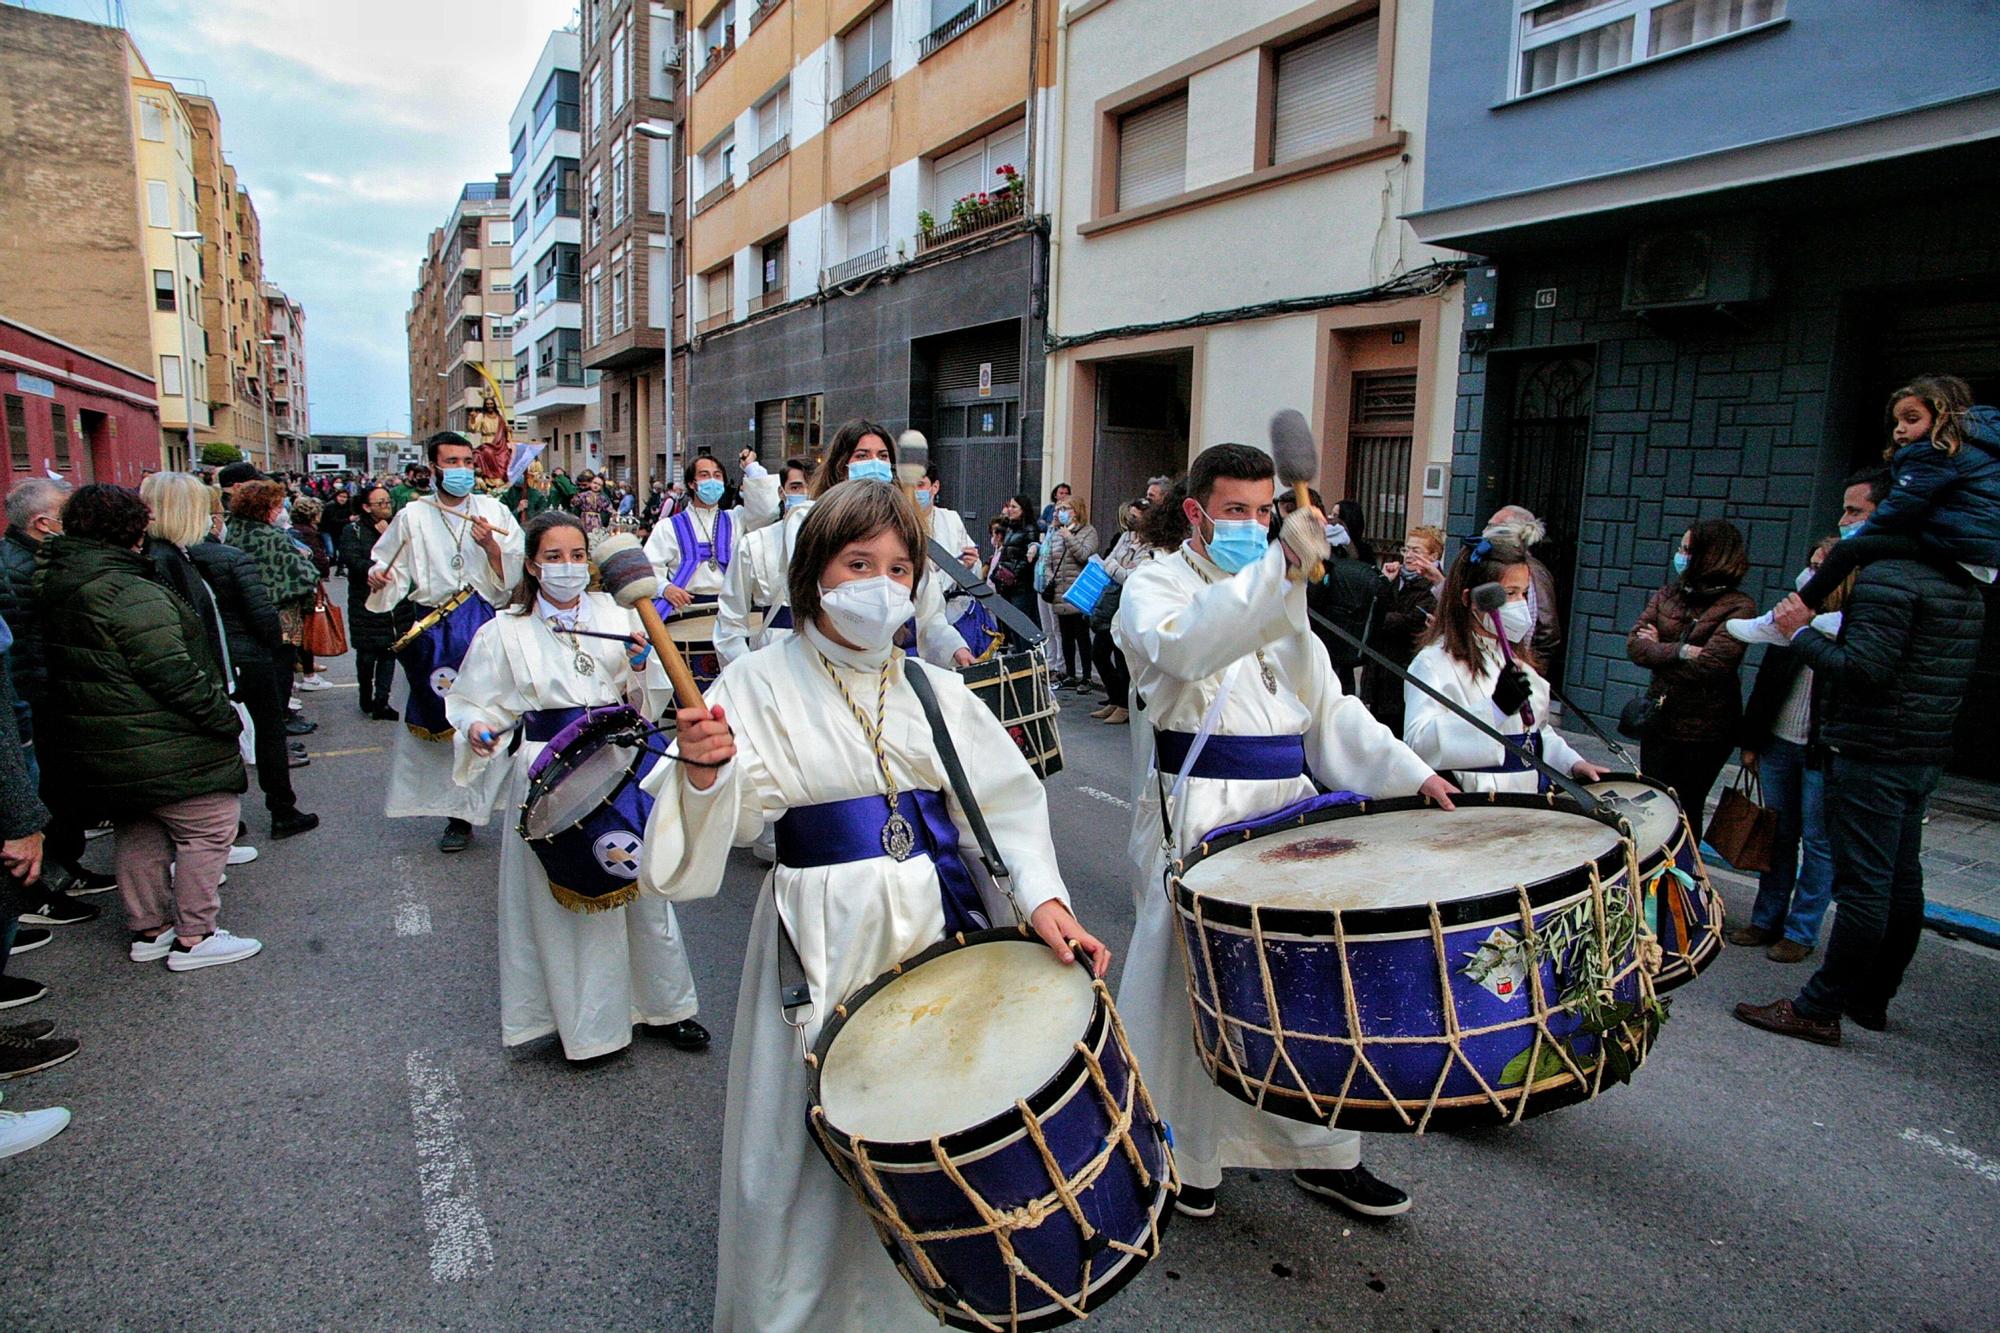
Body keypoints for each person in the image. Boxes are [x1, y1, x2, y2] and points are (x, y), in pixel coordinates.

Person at [638, 479, 1111, 1331]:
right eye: (859, 562)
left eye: (899, 568)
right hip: (823, 939)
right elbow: (714, 836)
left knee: (932, 1130)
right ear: (817, 569)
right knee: (810, 1147)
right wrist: (704, 771)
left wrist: (1042, 900)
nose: (881, 585)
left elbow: (1000, 809)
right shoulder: (757, 680)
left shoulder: (933, 686)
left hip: (936, 929)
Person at [1114, 442, 1457, 1222]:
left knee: (1308, 984)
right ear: (1196, 511)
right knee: (1188, 990)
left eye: (1264, 510)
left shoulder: (1280, 592)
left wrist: (1411, 773)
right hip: (1197, 805)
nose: (1255, 523)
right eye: (1237, 510)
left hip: (1284, 804)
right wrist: (1278, 568)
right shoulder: (1153, 584)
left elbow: (1327, 707)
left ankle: (1322, 1151)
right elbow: (1189, 644)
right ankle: (1181, 1149)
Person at [447, 512, 708, 1061]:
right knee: (565, 906)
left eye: (574, 557)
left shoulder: (615, 615)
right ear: (531, 565)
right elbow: (476, 702)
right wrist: (476, 729)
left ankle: (664, 1008)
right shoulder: (504, 631)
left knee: (642, 888)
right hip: (550, 772)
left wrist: (639, 666)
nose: (565, 568)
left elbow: (641, 698)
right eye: (552, 558)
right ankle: (591, 1027)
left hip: (616, 762)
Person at [1734, 515, 1985, 1045]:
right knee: (1899, 879)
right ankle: (1871, 998)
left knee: (1866, 885)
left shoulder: (1890, 578)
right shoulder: (1962, 581)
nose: (1846, 525)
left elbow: (1863, 668)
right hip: (1918, 752)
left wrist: (1796, 633)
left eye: (1856, 513)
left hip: (1875, 752)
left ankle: (1819, 1007)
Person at [36, 485, 260, 971]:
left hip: (102, 737)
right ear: (131, 528)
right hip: (157, 735)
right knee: (209, 824)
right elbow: (172, 671)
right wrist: (224, 718)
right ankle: (194, 936)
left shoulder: (61, 577)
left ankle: (150, 929)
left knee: (139, 827)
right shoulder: (127, 589)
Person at [1731, 374, 2000, 645]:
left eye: (1912, 419)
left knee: (1850, 550)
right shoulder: (1976, 447)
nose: (1899, 430)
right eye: (1897, 421)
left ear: (1941, 415)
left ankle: (1788, 618)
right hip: (1976, 552)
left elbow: (1898, 509)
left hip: (1954, 544)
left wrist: (1860, 541)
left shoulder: (1932, 453)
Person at [366, 431, 526, 853]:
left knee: (492, 717)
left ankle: (479, 809)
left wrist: (491, 545)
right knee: (442, 724)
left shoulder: (493, 511)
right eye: (451, 463)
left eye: (467, 462)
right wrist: (379, 577)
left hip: (483, 624)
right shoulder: (413, 516)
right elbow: (389, 568)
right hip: (435, 630)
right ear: (434, 467)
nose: (461, 470)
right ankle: (453, 813)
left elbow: (515, 569)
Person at [736, 419, 973, 669]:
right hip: (811, 662)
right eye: (862, 455)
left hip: (878, 665)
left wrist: (954, 648)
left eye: (882, 456)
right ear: (842, 465)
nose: (874, 463)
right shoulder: (808, 520)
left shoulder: (903, 527)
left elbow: (929, 611)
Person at [1403, 532, 1607, 793]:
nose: (1520, 604)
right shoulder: (1433, 663)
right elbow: (1418, 742)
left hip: (1525, 802)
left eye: (1523, 593)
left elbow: (1534, 733)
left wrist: (1572, 763)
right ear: (1469, 599)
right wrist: (1494, 710)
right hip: (1474, 805)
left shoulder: (1514, 660)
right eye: (1509, 593)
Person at [1, 477, 116, 900]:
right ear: (44, 523)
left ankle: (65, 869)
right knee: (44, 795)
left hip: (47, 699)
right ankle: (44, 888)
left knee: (60, 794)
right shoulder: (16, 569)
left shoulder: (36, 559)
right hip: (36, 704)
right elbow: (20, 651)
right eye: (67, 513)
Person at [1734, 534, 1843, 964]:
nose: (1810, 575)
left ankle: (1801, 931)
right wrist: (1751, 743)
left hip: (1822, 752)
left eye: (1820, 569)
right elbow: (1767, 681)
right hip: (1780, 742)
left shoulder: (1851, 626)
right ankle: (1766, 919)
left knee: (1818, 843)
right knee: (1776, 835)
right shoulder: (1788, 618)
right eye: (1810, 564)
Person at [189, 483, 317, 838]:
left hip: (209, 653)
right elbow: (285, 592)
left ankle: (224, 819)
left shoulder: (180, 555)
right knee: (269, 727)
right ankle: (282, 810)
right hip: (254, 648)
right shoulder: (236, 553)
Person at [1624, 519, 1755, 846]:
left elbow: (1713, 666)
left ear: (1709, 555)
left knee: (1685, 807)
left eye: (1686, 549)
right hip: (1659, 717)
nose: (1679, 555)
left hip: (1705, 730)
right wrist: (1681, 650)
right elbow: (1635, 646)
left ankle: (1682, 883)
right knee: (1656, 804)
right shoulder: (1669, 593)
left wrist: (1659, 651)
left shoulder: (1740, 606)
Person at [1281, 490, 1381, 695]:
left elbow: (1315, 593)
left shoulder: (1326, 548)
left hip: (1325, 634)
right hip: (1330, 639)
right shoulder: (1338, 544)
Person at [643, 453, 769, 613]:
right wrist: (665, 588)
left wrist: (751, 467)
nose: (712, 480)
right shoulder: (668, 527)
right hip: (685, 612)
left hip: (732, 611)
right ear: (691, 483)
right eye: (704, 475)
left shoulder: (737, 518)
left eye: (717, 476)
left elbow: (766, 510)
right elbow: (647, 569)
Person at [717, 458, 813, 666]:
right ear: (781, 492)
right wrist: (750, 668)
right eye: (796, 487)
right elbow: (729, 622)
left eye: (813, 487)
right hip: (773, 658)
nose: (806, 494)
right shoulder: (755, 544)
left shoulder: (844, 545)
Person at [1363, 526, 1444, 738]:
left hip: (1407, 671)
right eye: (1406, 549)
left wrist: (1384, 616)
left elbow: (1409, 623)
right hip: (1380, 672)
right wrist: (1384, 581)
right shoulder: (1394, 579)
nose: (1408, 556)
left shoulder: (1435, 588)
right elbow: (1370, 614)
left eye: (1416, 551)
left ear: (1433, 556)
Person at [1089, 498, 1152, 725]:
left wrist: (1116, 567)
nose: (1131, 519)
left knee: (1121, 656)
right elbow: (1109, 560)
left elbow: (1132, 577)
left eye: (1136, 516)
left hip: (1130, 604)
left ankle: (1125, 706)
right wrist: (1118, 568)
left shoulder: (1152, 545)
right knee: (1100, 653)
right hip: (1112, 602)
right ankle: (1115, 699)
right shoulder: (1126, 537)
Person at [339, 485, 400, 720]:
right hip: (365, 599)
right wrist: (372, 571)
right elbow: (352, 559)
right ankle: (366, 694)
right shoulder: (353, 530)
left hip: (393, 601)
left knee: (389, 651)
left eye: (388, 502)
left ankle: (382, 701)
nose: (386, 507)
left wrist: (389, 536)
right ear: (366, 507)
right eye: (380, 503)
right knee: (366, 655)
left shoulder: (395, 527)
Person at [1484, 504, 1563, 662]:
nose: (1485, 530)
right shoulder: (1494, 565)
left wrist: (1530, 667)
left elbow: (1548, 632)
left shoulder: (1533, 572)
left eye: (1491, 525)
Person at [1043, 495, 1099, 690]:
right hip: (1060, 591)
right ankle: (1070, 673)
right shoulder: (1057, 533)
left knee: (1082, 636)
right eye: (1059, 510)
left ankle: (1086, 676)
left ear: (1076, 510)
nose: (1060, 513)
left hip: (1078, 593)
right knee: (1065, 635)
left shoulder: (1088, 532)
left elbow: (1083, 555)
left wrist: (1069, 537)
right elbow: (1050, 559)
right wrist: (1051, 577)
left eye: (1065, 509)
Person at [289, 495, 334, 690]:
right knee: (307, 629)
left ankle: (303, 667)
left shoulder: (292, 531)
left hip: (295, 585)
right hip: (307, 586)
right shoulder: (309, 534)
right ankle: (309, 674)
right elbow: (319, 560)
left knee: (297, 630)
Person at [991, 494, 1040, 641]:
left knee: (1022, 628)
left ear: (1023, 509)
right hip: (1007, 584)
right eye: (1009, 506)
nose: (1010, 510)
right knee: (1012, 627)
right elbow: (1005, 553)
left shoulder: (1030, 529)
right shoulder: (1010, 529)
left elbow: (1028, 558)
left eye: (1014, 507)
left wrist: (1014, 575)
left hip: (1021, 586)